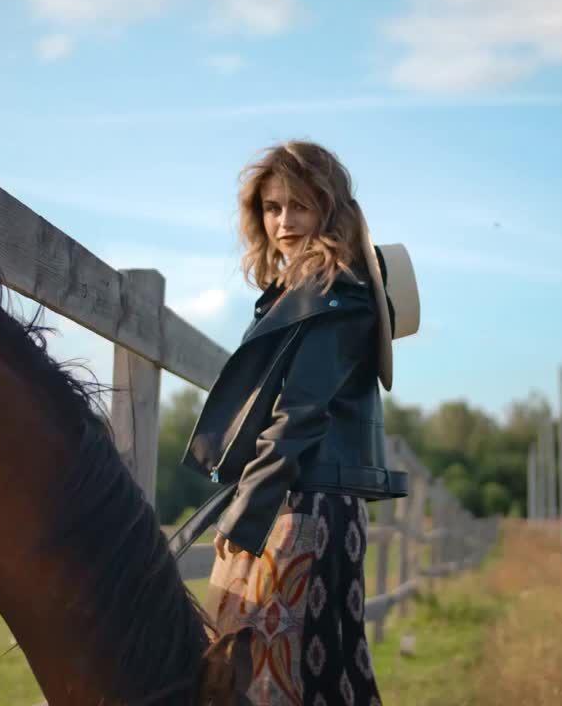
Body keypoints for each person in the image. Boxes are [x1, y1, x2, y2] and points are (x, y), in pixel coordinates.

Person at [177, 140, 420, 705]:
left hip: (304, 506)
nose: (284, 221)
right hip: (305, 501)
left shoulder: (333, 292)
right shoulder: (302, 290)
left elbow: (300, 416)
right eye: (272, 207)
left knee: (269, 671)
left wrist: (244, 518)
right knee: (317, 670)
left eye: (300, 206)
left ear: (329, 211)